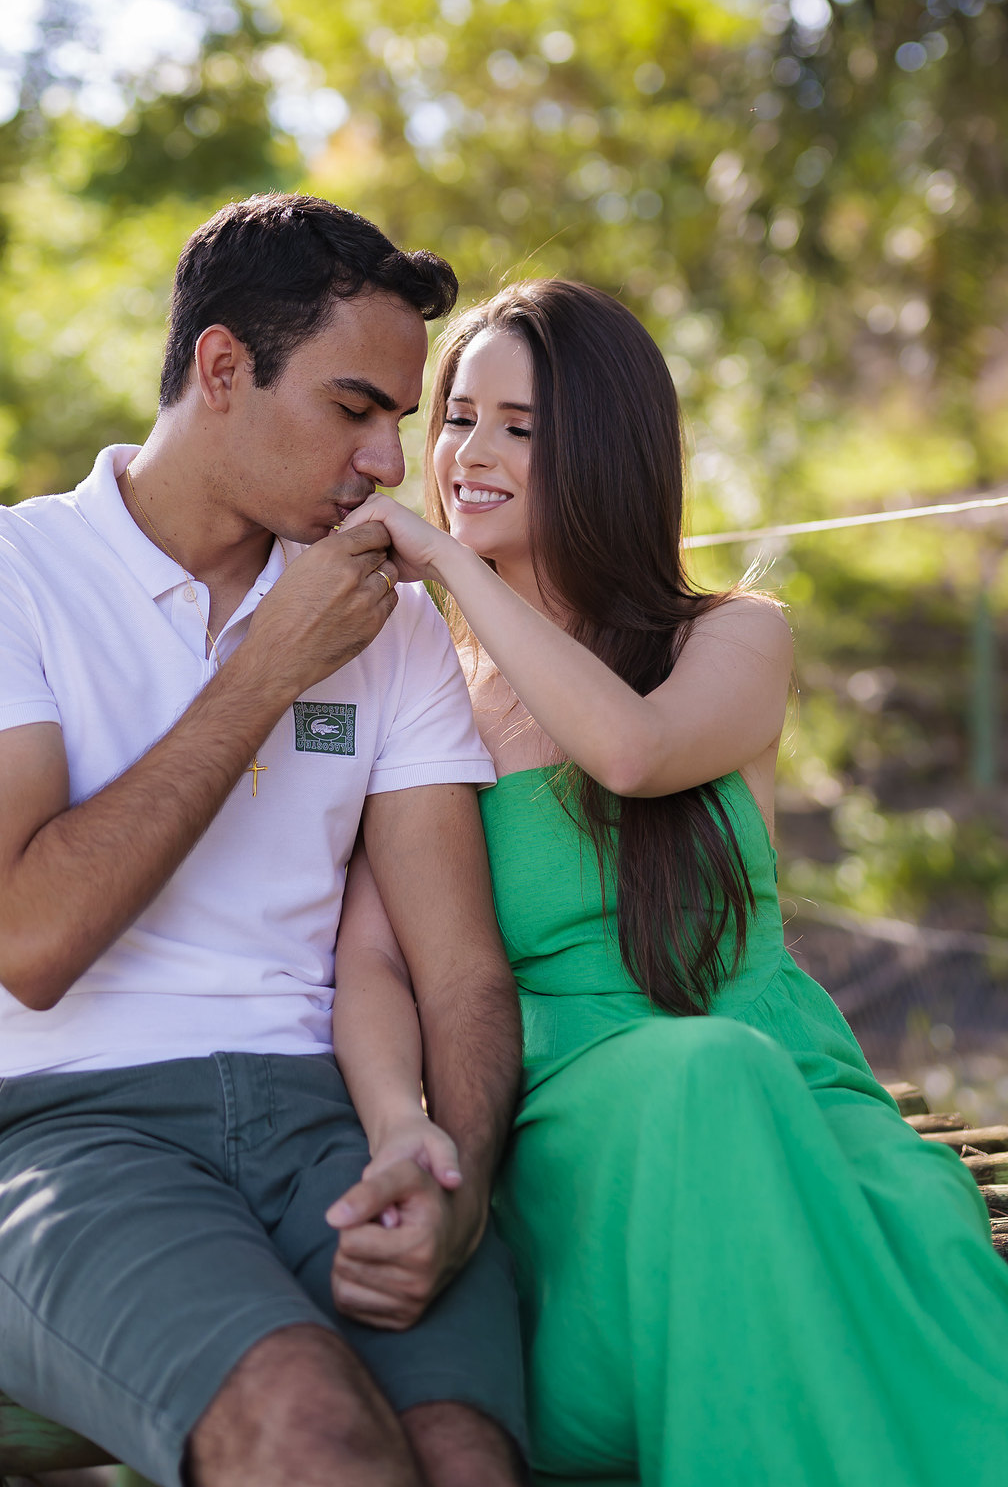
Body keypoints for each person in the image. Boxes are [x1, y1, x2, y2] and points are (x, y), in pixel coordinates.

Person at [0, 193, 530, 1487]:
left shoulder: (389, 627)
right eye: (355, 410)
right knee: (315, 1441)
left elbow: (461, 968)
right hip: (56, 1129)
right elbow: (29, 940)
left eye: (399, 422)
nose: (390, 467)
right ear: (223, 368)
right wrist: (268, 674)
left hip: (327, 1123)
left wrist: (451, 1184)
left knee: (464, 1456)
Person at [330, 277, 1008, 1487]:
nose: (470, 454)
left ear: (606, 449)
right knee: (707, 1081)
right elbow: (373, 960)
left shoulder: (733, 637)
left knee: (920, 1227)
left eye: (521, 428)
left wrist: (447, 563)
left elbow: (632, 751)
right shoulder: (419, 692)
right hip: (577, 1117)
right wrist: (408, 1128)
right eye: (458, 417)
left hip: (798, 1086)